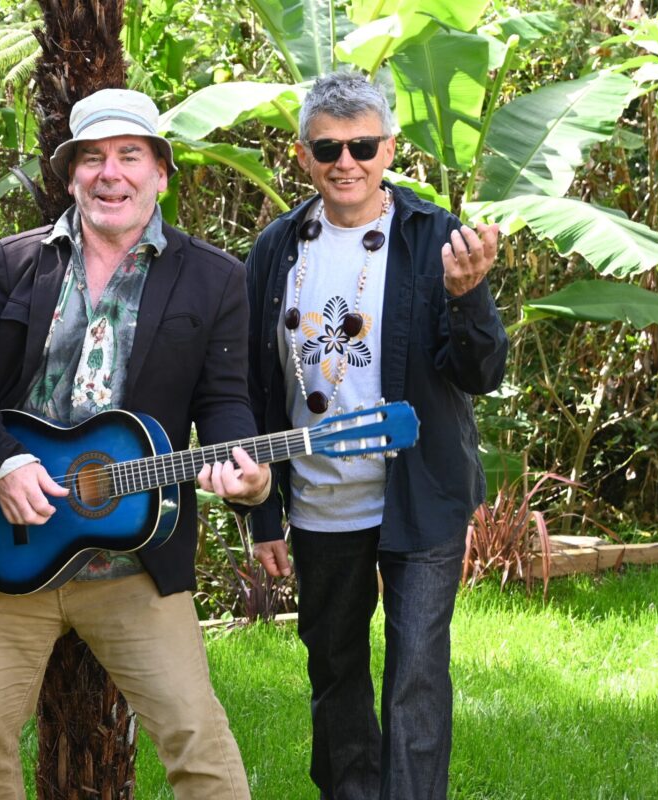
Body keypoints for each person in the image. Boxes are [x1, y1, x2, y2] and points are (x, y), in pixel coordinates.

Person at [0, 88, 269, 800]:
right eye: (92, 158)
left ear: (160, 173)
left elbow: (224, 399)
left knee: (197, 740)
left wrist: (246, 472)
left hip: (134, 562)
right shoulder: (15, 261)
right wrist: (0, 462)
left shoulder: (215, 278)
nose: (110, 174)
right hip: (12, 550)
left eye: (129, 156)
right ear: (71, 176)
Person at [244, 71, 508, 799]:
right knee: (335, 675)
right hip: (321, 504)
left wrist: (470, 299)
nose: (346, 162)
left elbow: (481, 372)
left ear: (388, 149)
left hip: (420, 496)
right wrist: (261, 514)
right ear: (303, 155)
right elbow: (256, 388)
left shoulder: (434, 237)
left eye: (362, 145)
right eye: (328, 147)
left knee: (416, 675)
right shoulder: (276, 249)